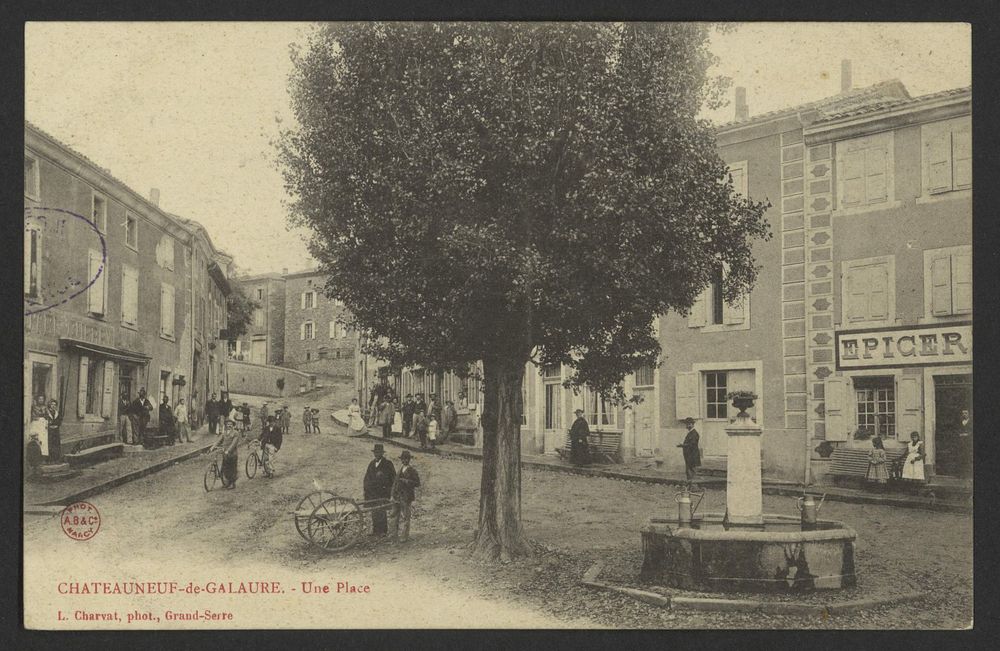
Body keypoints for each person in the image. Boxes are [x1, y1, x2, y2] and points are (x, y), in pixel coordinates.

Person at [363, 443, 396, 536]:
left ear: (382, 453)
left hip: (382, 491)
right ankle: (376, 530)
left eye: (378, 452)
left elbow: (393, 477)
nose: (376, 454)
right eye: (375, 452)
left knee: (381, 510)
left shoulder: (388, 464)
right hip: (372, 492)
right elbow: (367, 477)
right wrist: (367, 488)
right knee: (374, 510)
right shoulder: (372, 464)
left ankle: (383, 531)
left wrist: (389, 489)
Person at [390, 450, 421, 543]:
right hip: (397, 496)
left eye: (406, 459)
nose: (405, 461)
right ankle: (393, 534)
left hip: (406, 496)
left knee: (405, 516)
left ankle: (404, 536)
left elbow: (417, 483)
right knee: (394, 515)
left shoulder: (412, 471)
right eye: (403, 459)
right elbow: (395, 483)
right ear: (401, 460)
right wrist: (392, 495)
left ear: (409, 460)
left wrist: (407, 481)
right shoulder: (400, 470)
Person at [212, 419, 242, 489]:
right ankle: (227, 482)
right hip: (225, 454)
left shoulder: (236, 433)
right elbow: (219, 440)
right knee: (225, 468)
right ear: (226, 425)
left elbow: (233, 444)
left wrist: (228, 450)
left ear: (233, 425)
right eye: (228, 424)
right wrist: (212, 447)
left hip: (232, 454)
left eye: (230, 424)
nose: (229, 426)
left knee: (232, 469)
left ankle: (232, 483)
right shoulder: (224, 433)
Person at [677, 417, 701, 483]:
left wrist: (682, 445)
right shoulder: (691, 433)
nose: (687, 426)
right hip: (689, 455)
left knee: (691, 470)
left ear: (692, 424)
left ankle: (692, 485)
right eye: (686, 424)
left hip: (692, 455)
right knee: (689, 470)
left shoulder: (694, 433)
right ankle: (690, 485)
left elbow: (692, 445)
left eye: (688, 424)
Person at [957, 408, 972, 478]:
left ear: (969, 414)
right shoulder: (960, 422)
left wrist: (967, 435)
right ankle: (961, 474)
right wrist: (959, 434)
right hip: (961, 442)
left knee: (968, 457)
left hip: (969, 442)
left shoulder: (971, 422)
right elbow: (957, 430)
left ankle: (968, 474)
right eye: (963, 413)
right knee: (961, 457)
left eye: (966, 413)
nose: (964, 415)